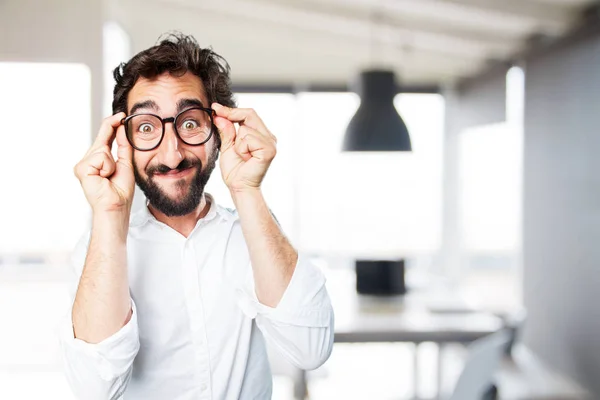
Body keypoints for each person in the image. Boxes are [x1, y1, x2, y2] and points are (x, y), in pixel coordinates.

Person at [59, 33, 334, 400]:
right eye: (146, 127)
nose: (171, 155)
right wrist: (110, 213)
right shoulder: (97, 251)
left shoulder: (250, 232)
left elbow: (312, 348)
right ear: (122, 143)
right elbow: (95, 389)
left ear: (219, 132)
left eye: (190, 123)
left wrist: (246, 189)